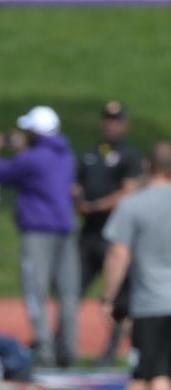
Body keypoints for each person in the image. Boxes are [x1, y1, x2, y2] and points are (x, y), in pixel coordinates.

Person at [0, 106, 79, 368]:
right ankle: (69, 350)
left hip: (39, 230)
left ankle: (45, 351)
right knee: (68, 295)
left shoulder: (32, 158)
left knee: (36, 293)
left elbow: (0, 171)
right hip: (65, 229)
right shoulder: (67, 155)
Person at [102, 141, 171, 390]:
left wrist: (109, 296)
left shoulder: (134, 204)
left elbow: (118, 252)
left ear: (147, 167)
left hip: (152, 301)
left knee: (156, 372)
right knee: (150, 371)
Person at [73, 101, 143, 362]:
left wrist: (97, 206)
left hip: (115, 237)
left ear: (125, 123)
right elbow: (78, 183)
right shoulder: (91, 154)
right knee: (73, 290)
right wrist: (78, 198)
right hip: (88, 235)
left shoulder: (130, 155)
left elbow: (130, 190)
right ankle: (64, 346)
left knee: (118, 299)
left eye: (117, 119)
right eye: (108, 119)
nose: (111, 123)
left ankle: (112, 349)